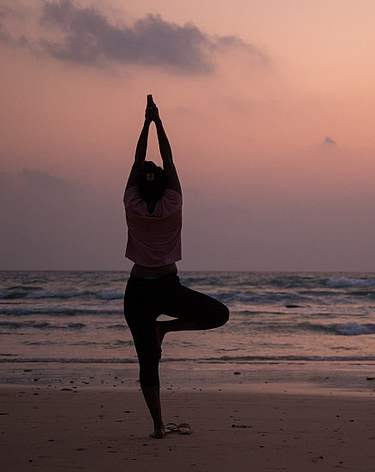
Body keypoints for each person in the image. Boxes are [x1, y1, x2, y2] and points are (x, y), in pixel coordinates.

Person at [123, 95, 229, 439]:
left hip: (138, 291)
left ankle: (157, 426)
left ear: (138, 185)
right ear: (166, 184)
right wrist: (157, 121)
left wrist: (145, 123)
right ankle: (165, 330)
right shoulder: (174, 202)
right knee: (219, 314)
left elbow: (140, 159)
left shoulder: (132, 204)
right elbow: (166, 158)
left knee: (147, 362)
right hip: (167, 289)